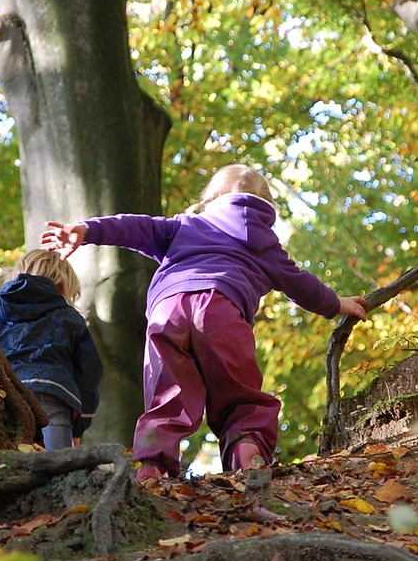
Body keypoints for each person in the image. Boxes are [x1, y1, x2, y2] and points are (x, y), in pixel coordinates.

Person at [41, 164, 367, 480]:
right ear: (267, 206)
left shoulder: (185, 226)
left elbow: (134, 227)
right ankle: (246, 457)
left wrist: (87, 230)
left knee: (166, 400)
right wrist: (337, 303)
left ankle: (153, 468)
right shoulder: (265, 244)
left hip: (167, 312)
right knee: (240, 398)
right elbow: (300, 284)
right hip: (222, 311)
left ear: (209, 199)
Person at [0, 249, 102, 451]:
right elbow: (89, 373)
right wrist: (80, 425)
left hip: (0, 394)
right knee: (56, 468)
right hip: (51, 395)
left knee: (1, 465)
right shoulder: (69, 317)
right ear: (62, 286)